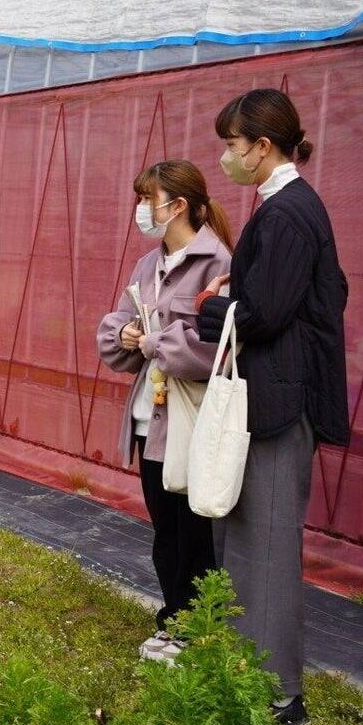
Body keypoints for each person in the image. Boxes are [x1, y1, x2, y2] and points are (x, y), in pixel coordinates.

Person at [193, 88, 350, 725]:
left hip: (280, 403)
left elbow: (265, 315)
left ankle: (280, 695)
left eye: (232, 146)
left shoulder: (286, 213)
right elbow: (328, 290)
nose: (226, 158)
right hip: (277, 396)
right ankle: (245, 674)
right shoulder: (290, 207)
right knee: (249, 537)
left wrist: (214, 309)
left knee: (267, 545)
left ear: (262, 147)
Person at [97, 160, 233, 665]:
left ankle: (192, 627)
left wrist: (153, 340)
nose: (140, 210)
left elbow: (216, 346)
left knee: (190, 530)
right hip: (146, 417)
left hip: (186, 420)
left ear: (176, 205)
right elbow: (118, 323)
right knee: (165, 529)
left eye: (146, 199)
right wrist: (127, 335)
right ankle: (175, 618)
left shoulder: (217, 265)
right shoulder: (146, 263)